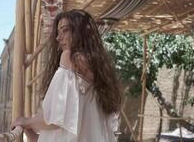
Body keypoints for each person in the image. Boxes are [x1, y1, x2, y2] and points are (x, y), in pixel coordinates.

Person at [11, 9, 122, 142]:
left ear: (79, 33)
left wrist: (26, 121)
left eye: (65, 30)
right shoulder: (99, 69)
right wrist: (31, 131)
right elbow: (73, 127)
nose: (58, 37)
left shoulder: (70, 58)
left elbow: (56, 118)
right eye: (58, 32)